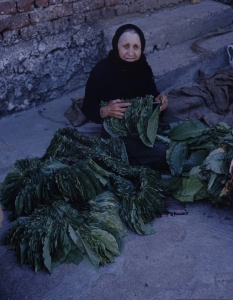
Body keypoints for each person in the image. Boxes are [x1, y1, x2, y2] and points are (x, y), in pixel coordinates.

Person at [81, 24, 170, 171]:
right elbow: (87, 107)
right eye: (125, 46)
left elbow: (152, 94)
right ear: (117, 46)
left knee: (175, 130)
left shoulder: (143, 67)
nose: (130, 53)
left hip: (141, 122)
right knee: (163, 154)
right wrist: (105, 110)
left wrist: (160, 99)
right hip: (117, 129)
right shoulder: (101, 71)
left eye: (136, 47)